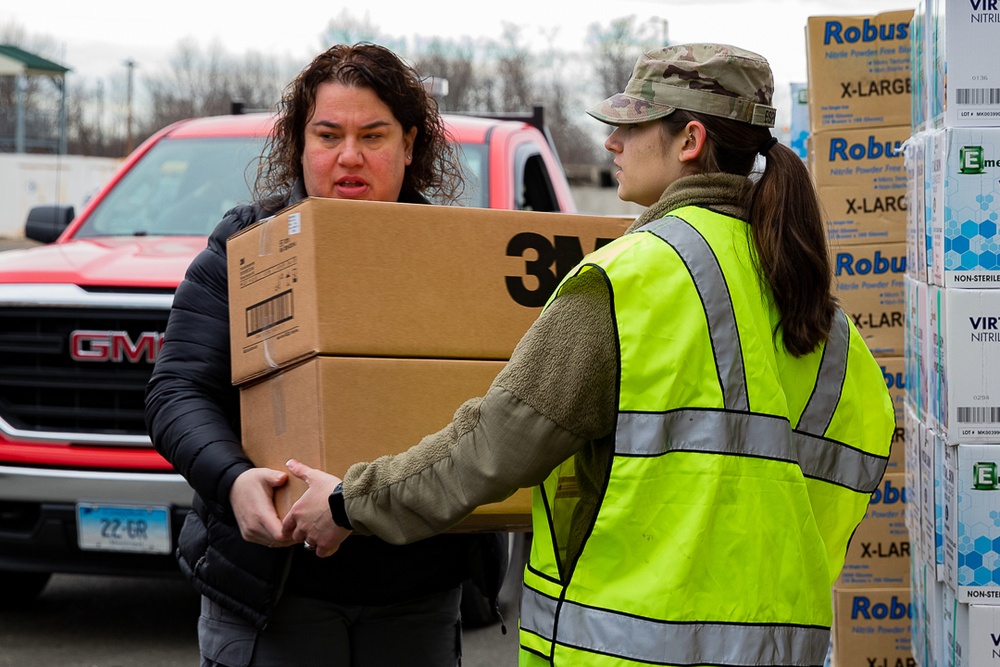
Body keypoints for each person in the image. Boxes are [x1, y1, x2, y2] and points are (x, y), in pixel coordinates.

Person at [281, 43, 895, 667]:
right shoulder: (827, 321)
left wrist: (347, 504)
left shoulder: (629, 280)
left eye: (630, 125)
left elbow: (486, 450)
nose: (611, 143)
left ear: (689, 139)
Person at [144, 43, 504, 667]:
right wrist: (232, 482)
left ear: (410, 144)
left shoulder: (456, 259)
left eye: (374, 135)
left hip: (415, 595)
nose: (349, 157)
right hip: (276, 591)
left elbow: (497, 413)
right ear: (299, 143)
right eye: (328, 134)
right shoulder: (245, 247)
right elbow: (177, 392)